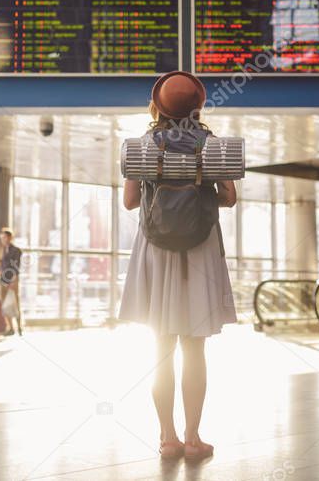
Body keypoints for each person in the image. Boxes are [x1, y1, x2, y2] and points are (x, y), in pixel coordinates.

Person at [118, 70, 238, 462]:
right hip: (200, 248)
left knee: (161, 347)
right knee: (195, 349)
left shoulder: (143, 144)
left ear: (159, 106)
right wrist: (197, 186)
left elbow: (131, 202)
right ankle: (193, 437)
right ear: (197, 106)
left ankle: (166, 437)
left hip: (156, 249)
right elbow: (230, 196)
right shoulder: (210, 142)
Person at [0, 227, 23, 336]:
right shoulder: (3, 250)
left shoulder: (16, 250)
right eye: (1, 238)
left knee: (15, 303)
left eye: (4, 237)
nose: (2, 239)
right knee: (5, 305)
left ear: (10, 237)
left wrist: (13, 281)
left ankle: (19, 327)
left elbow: (16, 266)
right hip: (3, 280)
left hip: (12, 280)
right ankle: (10, 328)